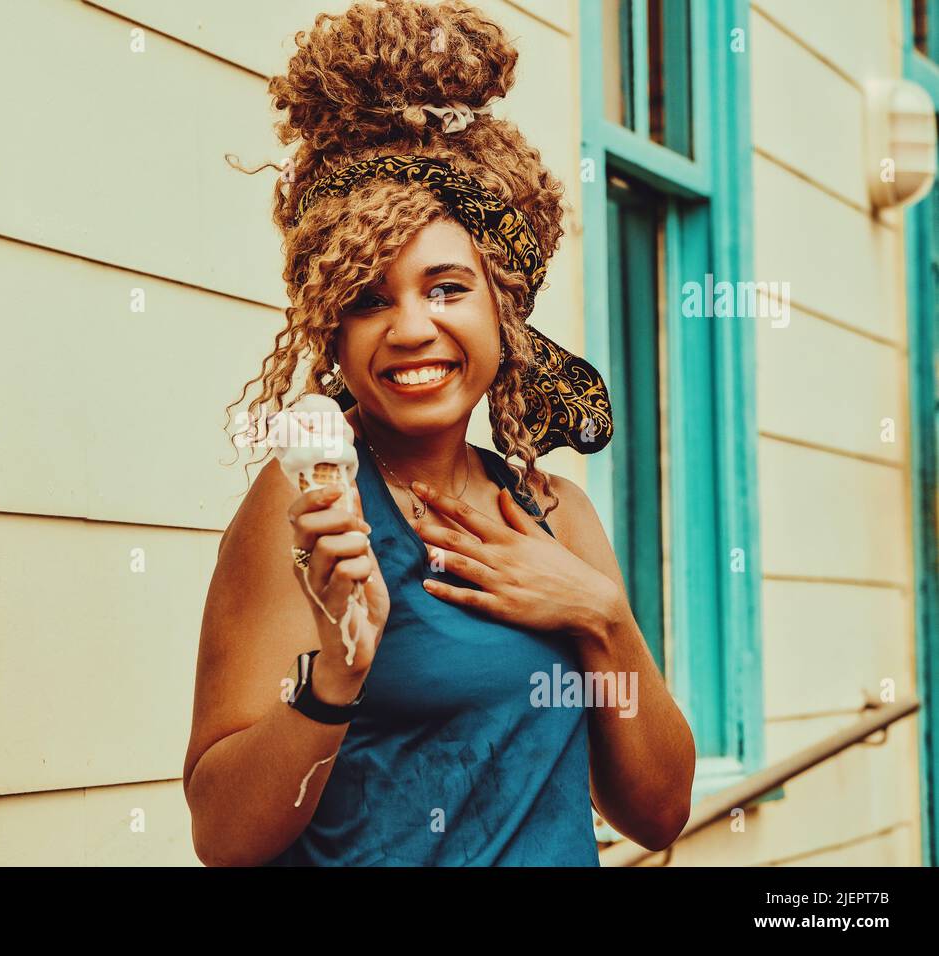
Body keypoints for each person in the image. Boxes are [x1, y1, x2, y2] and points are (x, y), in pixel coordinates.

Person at [183, 0, 695, 866]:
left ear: (505, 309)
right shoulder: (308, 507)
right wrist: (338, 673)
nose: (412, 328)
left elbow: (659, 813)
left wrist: (599, 615)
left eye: (448, 288)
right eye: (369, 298)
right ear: (332, 329)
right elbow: (224, 836)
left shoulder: (557, 515)